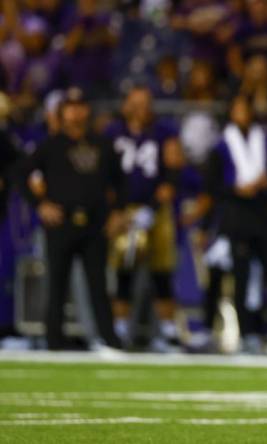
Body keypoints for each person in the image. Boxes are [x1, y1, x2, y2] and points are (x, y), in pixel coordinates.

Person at [16, 87, 125, 351]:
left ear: (87, 110)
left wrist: (118, 212)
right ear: (62, 112)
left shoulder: (102, 144)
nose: (76, 112)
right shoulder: (51, 145)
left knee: (98, 284)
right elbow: (20, 175)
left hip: (94, 223)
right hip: (61, 224)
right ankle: (54, 341)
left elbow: (120, 182)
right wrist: (40, 205)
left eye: (80, 106)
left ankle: (108, 338)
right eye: (70, 107)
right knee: (57, 285)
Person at [205, 94, 267, 354]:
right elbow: (213, 185)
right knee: (240, 278)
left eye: (245, 109)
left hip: (262, 215)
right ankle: (246, 333)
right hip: (236, 216)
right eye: (237, 109)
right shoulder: (220, 146)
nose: (241, 114)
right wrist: (236, 190)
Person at [104, 85, 181, 351]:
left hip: (155, 211)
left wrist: (153, 207)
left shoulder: (163, 131)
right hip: (123, 210)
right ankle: (120, 329)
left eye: (145, 102)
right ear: (126, 104)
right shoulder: (112, 132)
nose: (140, 109)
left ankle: (169, 332)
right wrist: (115, 210)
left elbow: (173, 170)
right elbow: (104, 173)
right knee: (123, 268)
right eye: (135, 103)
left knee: (162, 270)